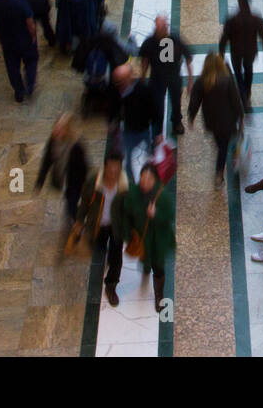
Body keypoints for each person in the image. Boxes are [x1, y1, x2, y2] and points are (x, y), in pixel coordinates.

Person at [113, 163, 175, 311]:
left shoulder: (162, 196)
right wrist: (127, 235)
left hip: (158, 240)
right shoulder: (133, 193)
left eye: (149, 180)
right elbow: (127, 215)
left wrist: (156, 215)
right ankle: (146, 268)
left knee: (158, 268)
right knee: (145, 260)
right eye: (142, 178)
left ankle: (159, 295)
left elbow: (170, 216)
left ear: (155, 180)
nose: (145, 183)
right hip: (142, 239)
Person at [73, 151, 127, 306]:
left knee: (117, 257)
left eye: (116, 170)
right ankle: (106, 257)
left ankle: (111, 286)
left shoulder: (124, 185)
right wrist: (79, 220)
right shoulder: (93, 181)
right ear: (105, 168)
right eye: (110, 170)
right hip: (98, 225)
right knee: (100, 248)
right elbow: (84, 202)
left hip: (116, 226)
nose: (112, 174)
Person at [186, 52, 245, 187]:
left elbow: (194, 101)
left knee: (221, 144)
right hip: (228, 121)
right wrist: (241, 117)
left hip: (211, 121)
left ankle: (223, 160)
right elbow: (236, 101)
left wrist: (191, 117)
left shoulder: (201, 81)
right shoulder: (227, 79)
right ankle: (219, 173)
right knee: (223, 147)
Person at [35, 112, 90, 235]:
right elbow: (47, 161)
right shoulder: (53, 141)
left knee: (71, 204)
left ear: (67, 130)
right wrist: (40, 181)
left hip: (75, 183)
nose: (56, 130)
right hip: (62, 180)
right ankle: (75, 218)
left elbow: (84, 168)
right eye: (56, 127)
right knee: (69, 201)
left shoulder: (77, 146)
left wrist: (85, 185)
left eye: (60, 128)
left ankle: (79, 224)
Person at [139, 14, 193, 137]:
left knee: (176, 101)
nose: (163, 30)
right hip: (157, 78)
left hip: (174, 77)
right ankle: (157, 129)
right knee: (157, 104)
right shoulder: (149, 42)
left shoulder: (175, 39)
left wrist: (190, 80)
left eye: (164, 27)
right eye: (159, 28)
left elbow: (188, 57)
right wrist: (142, 78)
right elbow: (145, 60)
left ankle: (176, 122)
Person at [107, 63, 161, 180]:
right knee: (128, 156)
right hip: (126, 131)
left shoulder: (143, 91)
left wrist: (158, 133)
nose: (118, 84)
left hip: (142, 131)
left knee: (143, 157)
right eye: (117, 81)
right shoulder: (115, 91)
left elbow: (155, 112)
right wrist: (112, 122)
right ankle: (131, 178)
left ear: (129, 78)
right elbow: (112, 108)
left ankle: (146, 177)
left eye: (120, 81)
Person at [0, 0, 38, 102]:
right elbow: (30, 23)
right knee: (31, 62)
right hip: (24, 40)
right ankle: (30, 85)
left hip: (7, 41)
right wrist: (33, 35)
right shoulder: (21, 4)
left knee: (12, 67)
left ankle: (19, 91)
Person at [219, 0, 263, 109]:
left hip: (236, 52)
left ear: (239, 2)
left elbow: (224, 37)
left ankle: (243, 96)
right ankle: (247, 94)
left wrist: (221, 52)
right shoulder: (256, 19)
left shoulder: (231, 19)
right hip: (250, 52)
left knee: (238, 74)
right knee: (248, 72)